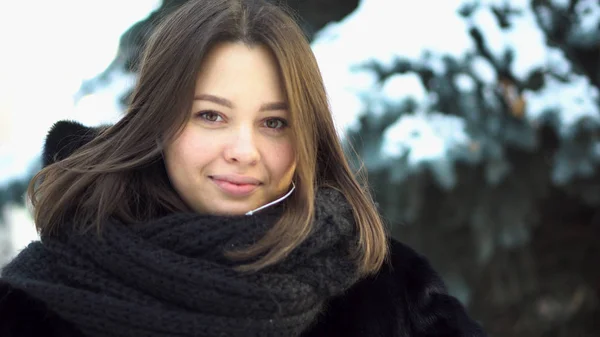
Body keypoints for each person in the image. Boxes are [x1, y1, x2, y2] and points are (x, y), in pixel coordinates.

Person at [0, 0, 487, 336]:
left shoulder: (386, 291)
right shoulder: (39, 300)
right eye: (211, 115)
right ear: (157, 121)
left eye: (275, 122)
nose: (244, 150)